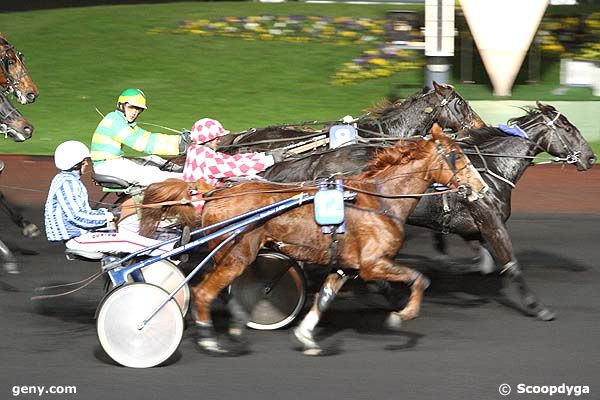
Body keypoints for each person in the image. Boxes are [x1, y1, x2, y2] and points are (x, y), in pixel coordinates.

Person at [45, 140, 184, 258]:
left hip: (81, 235)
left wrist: (107, 213)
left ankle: (168, 244)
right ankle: (173, 250)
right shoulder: (68, 183)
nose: (87, 164)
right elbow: (78, 217)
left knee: (126, 234)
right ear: (75, 164)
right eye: (84, 161)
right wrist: (107, 217)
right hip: (77, 239)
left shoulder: (65, 180)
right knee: (127, 240)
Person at [90, 88, 189, 186]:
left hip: (113, 162)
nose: (134, 112)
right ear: (121, 105)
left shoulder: (122, 121)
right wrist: (179, 146)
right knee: (152, 173)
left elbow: (149, 137)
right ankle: (187, 179)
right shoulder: (115, 122)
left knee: (154, 159)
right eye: (131, 107)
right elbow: (142, 144)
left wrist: (178, 140)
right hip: (106, 167)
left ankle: (181, 172)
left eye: (138, 109)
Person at [182, 118, 280, 187]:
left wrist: (262, 156)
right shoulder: (205, 159)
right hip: (200, 205)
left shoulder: (197, 152)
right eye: (217, 139)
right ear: (209, 140)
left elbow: (231, 160)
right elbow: (239, 168)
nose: (219, 141)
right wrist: (270, 160)